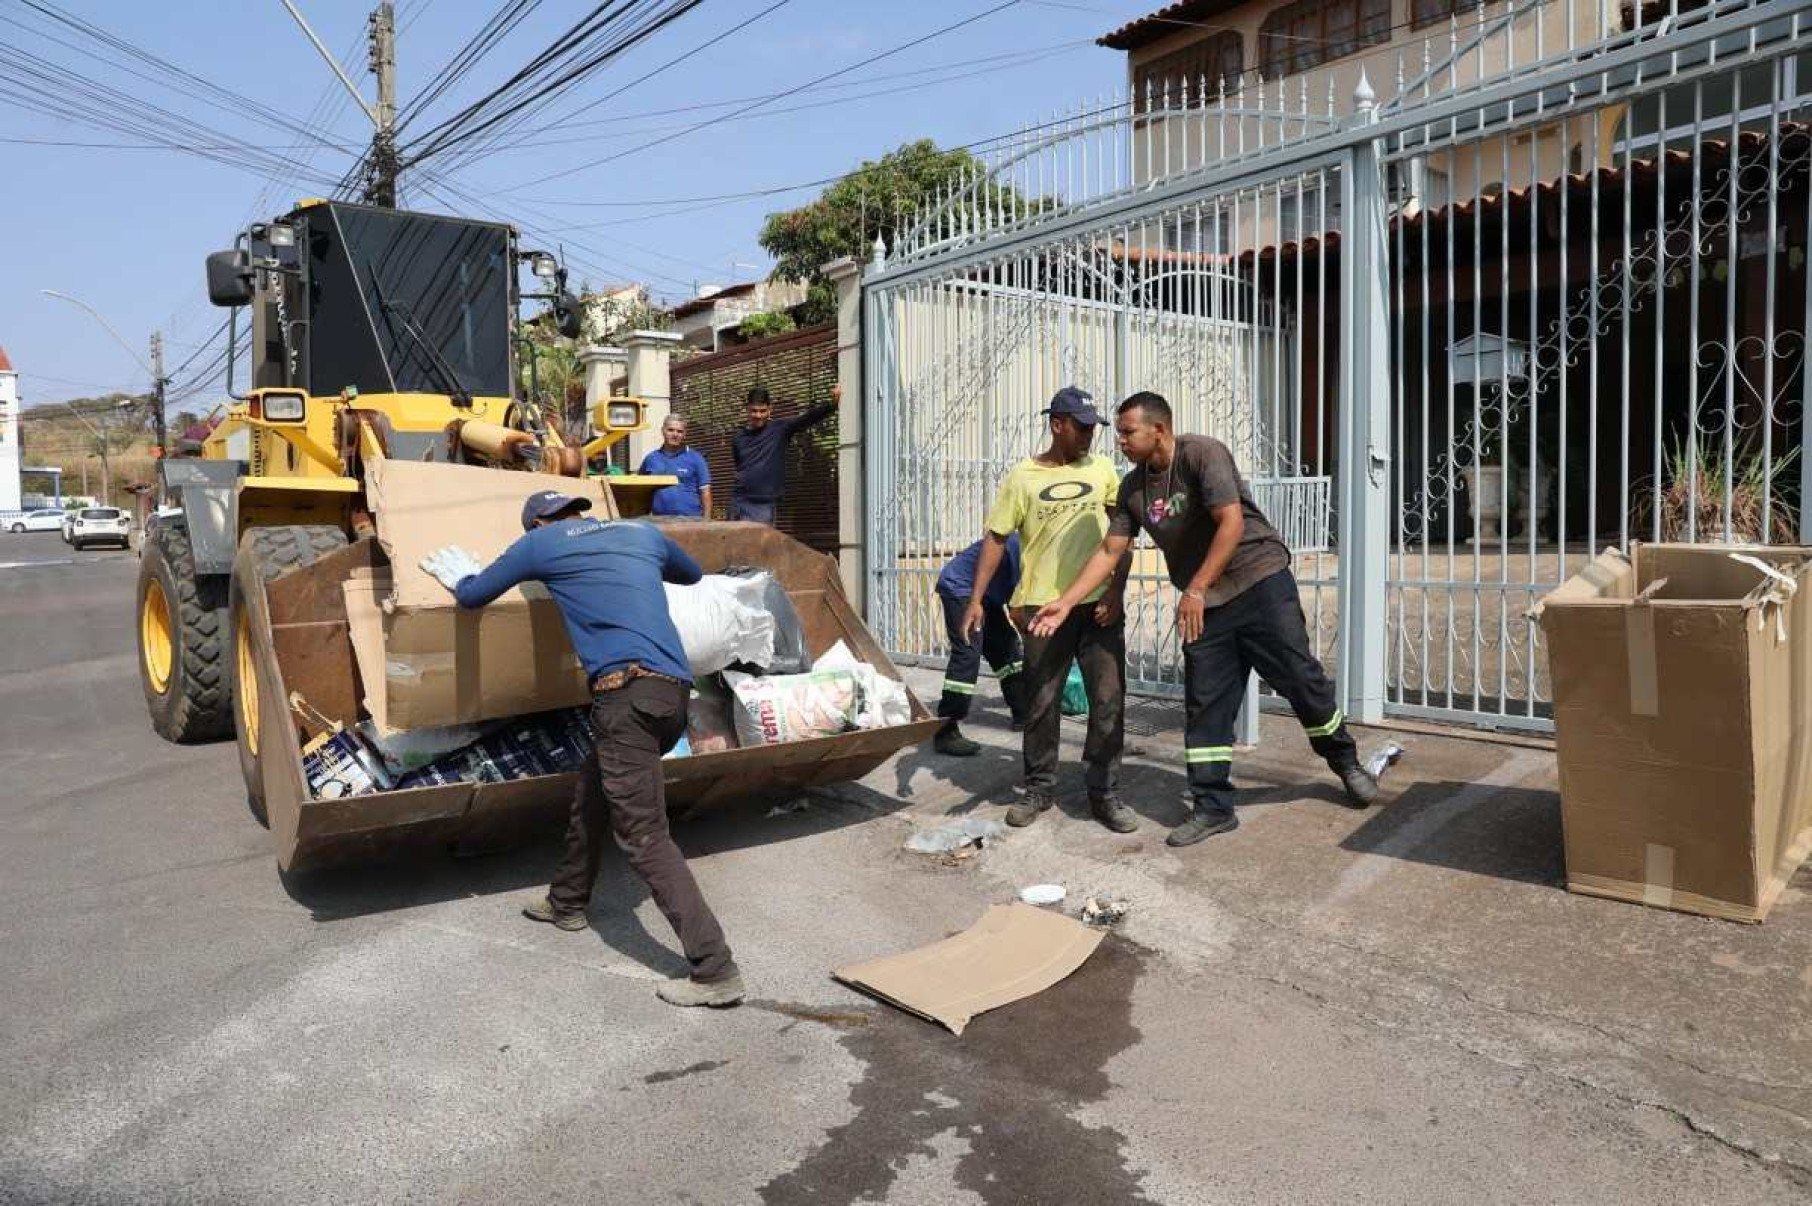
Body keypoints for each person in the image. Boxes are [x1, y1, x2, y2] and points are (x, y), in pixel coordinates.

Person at [419, 490, 744, 1009]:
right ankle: (566, 901)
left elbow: (474, 595)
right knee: (594, 794)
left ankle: (714, 968)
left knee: (644, 836)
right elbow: (692, 575)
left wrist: (464, 576)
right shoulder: (640, 533)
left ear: (538, 523)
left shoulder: (540, 543)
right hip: (671, 696)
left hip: (626, 700)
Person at [1031, 391, 1379, 848]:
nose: (1119, 441)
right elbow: (1111, 550)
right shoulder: (1133, 489)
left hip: (1259, 583)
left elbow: (1230, 522)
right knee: (1206, 704)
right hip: (1206, 606)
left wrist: (1195, 588)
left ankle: (1345, 762)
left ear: (1159, 428)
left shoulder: (1202, 454)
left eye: (1127, 432)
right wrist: (1066, 600)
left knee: (1301, 680)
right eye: (1117, 433)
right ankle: (1213, 807)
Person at [965, 386, 1136, 833]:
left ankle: (1104, 793)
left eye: (1093, 428)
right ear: (1056, 424)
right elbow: (996, 538)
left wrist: (1116, 591)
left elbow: (1122, 536)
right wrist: (977, 599)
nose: (1089, 436)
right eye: (1080, 428)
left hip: (1098, 606)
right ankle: (1039, 788)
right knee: (1041, 701)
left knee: (1108, 701)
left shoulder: (1103, 469)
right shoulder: (1022, 477)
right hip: (1042, 607)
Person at [933, 533, 1029, 756]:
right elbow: (1017, 611)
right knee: (968, 653)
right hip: (961, 588)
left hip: (987, 596)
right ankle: (945, 730)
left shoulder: (1037, 549)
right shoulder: (1020, 546)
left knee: (1007, 649)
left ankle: (1024, 712)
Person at [730, 383, 841, 523]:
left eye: (762, 411)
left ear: (770, 410)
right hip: (738, 501)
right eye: (754, 411)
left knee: (759, 545)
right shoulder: (739, 437)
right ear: (747, 409)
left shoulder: (780, 429)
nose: (758, 415)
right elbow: (739, 466)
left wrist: (831, 404)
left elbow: (806, 419)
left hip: (764, 504)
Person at [637, 415, 712, 518]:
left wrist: (706, 522)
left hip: (690, 521)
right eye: (671, 430)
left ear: (685, 434)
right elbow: (640, 490)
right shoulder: (651, 459)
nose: (675, 434)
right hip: (659, 521)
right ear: (663, 431)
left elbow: (705, 492)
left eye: (679, 431)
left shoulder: (696, 458)